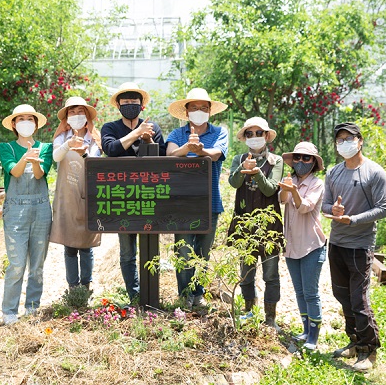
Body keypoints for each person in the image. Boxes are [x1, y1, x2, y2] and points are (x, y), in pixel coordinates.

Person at [322, 122, 386, 372]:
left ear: (360, 141)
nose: (344, 143)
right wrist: (335, 211)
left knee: (359, 300)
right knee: (342, 295)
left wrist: (354, 219)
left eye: (348, 138)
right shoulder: (334, 172)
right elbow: (325, 205)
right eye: (339, 140)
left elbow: (383, 209)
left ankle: (368, 351)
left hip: (360, 245)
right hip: (337, 242)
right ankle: (353, 341)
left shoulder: (374, 172)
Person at [101, 82, 166, 302]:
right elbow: (110, 150)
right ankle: (134, 296)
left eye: (134, 102)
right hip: (123, 198)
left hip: (150, 197)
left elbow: (163, 159)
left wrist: (148, 139)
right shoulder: (110, 128)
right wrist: (136, 133)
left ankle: (152, 297)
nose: (130, 105)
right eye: (126, 102)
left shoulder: (153, 128)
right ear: (118, 105)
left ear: (142, 105)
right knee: (127, 252)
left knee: (151, 248)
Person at [166, 88, 228, 309]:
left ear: (210, 111)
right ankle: (184, 296)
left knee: (203, 252)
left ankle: (199, 293)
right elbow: (170, 155)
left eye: (204, 108)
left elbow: (216, 154)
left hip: (210, 201)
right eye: (194, 108)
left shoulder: (220, 132)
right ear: (186, 111)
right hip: (182, 203)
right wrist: (187, 147)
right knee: (183, 250)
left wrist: (200, 150)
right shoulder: (176, 135)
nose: (199, 111)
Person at [0, 104, 53, 325]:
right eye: (21, 119)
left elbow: (40, 175)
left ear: (36, 124)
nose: (26, 122)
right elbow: (15, 171)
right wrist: (27, 158)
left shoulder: (46, 147)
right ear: (13, 124)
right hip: (16, 210)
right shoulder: (6, 148)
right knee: (17, 263)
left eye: (30, 119)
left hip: (40, 208)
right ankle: (9, 311)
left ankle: (32, 308)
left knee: (37, 265)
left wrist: (36, 161)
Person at [227, 117, 283, 329]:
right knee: (246, 272)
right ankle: (248, 313)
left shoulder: (275, 161)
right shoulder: (239, 158)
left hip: (269, 227)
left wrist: (257, 172)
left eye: (259, 133)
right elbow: (233, 183)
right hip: (244, 225)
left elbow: (270, 189)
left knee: (271, 273)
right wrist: (243, 168)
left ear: (267, 136)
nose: (254, 137)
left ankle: (270, 318)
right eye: (249, 134)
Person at [50, 96, 102, 290]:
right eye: (72, 112)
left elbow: (95, 164)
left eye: (80, 111)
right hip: (67, 197)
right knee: (70, 245)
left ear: (87, 116)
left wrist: (84, 153)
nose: (76, 115)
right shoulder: (61, 138)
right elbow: (57, 156)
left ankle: (86, 286)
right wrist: (68, 145)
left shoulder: (93, 139)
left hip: (88, 195)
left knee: (86, 245)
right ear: (66, 117)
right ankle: (73, 287)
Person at [278, 142, 327, 349]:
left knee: (310, 292)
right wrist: (286, 188)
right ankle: (306, 330)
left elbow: (305, 207)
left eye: (306, 158)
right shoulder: (290, 180)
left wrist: (294, 190)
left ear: (314, 162)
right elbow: (282, 200)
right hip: (291, 244)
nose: (300, 162)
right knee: (299, 291)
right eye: (297, 157)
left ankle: (313, 338)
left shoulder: (317, 184)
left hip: (311, 245)